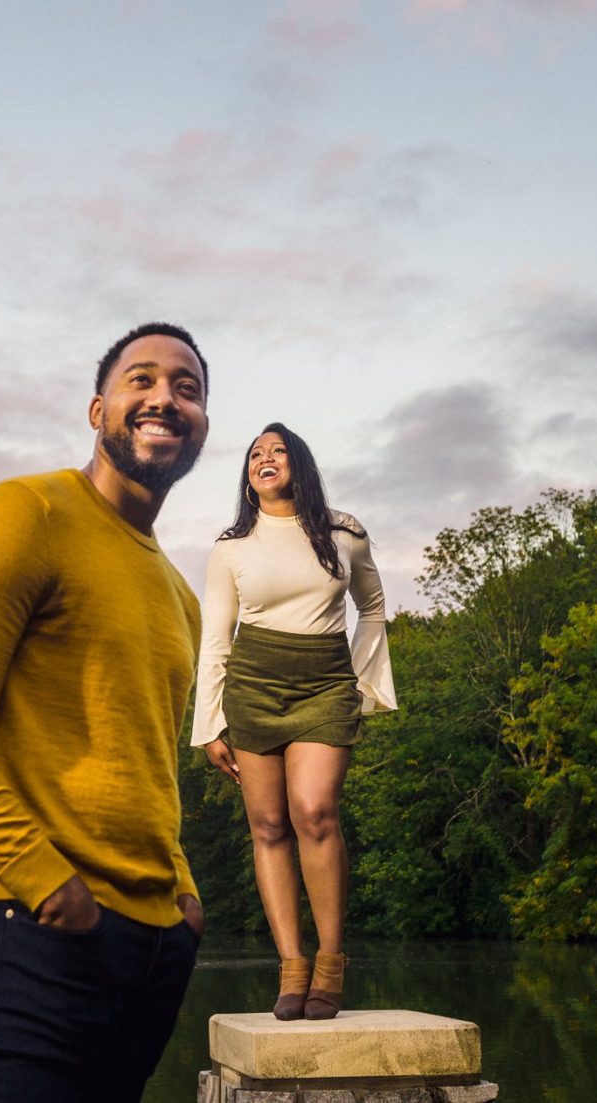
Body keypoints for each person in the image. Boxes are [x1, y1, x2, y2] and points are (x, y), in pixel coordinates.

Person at [0, 322, 210, 1103]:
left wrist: (184, 894)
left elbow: (145, 762)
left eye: (188, 387)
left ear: (201, 424)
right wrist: (47, 885)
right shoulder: (26, 511)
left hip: (149, 947)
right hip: (24, 927)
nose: (165, 397)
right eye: (142, 379)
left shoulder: (181, 595)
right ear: (99, 409)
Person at [192, 422, 397, 1021]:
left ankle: (331, 963)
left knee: (314, 810)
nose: (265, 457)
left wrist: (361, 683)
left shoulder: (344, 533)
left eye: (278, 450)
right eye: (255, 452)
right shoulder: (231, 548)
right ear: (248, 477)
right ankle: (291, 967)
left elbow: (374, 608)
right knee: (267, 824)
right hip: (252, 687)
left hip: (325, 683)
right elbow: (215, 639)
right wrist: (208, 724)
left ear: (299, 466)